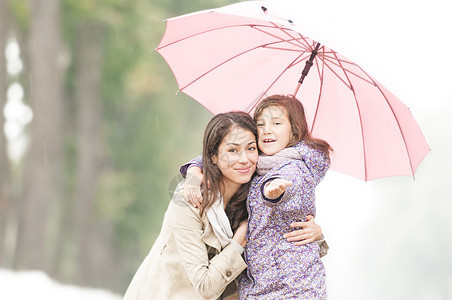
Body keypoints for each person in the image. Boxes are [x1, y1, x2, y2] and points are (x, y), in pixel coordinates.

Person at [182, 95, 331, 299]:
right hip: (260, 284)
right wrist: (194, 170)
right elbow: (219, 151)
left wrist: (272, 193)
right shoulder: (255, 161)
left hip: (294, 286)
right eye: (261, 124)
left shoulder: (296, 169)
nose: (267, 129)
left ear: (294, 131)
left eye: (277, 123)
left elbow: (288, 189)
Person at [123, 112, 259, 300]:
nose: (244, 159)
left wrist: (314, 232)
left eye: (251, 148)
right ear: (212, 156)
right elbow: (205, 286)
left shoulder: (259, 198)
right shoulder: (189, 200)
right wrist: (238, 243)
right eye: (233, 150)